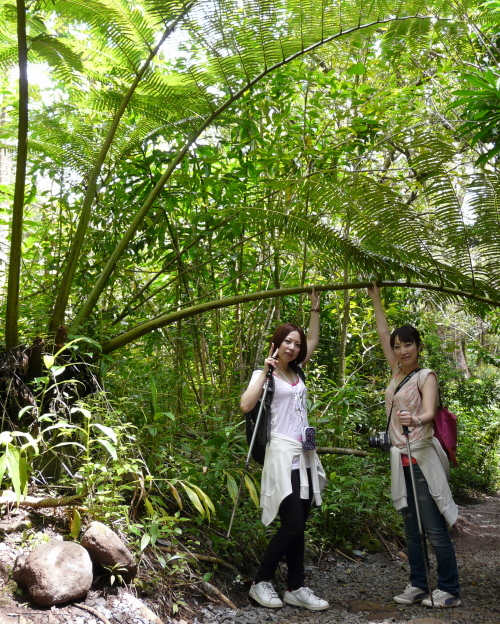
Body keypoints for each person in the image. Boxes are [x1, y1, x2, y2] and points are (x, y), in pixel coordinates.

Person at [367, 283, 461, 609]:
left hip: (422, 456)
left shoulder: (425, 376)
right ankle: (418, 585)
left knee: (433, 527)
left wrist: (415, 420)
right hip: (400, 459)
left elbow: (430, 413)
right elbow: (382, 330)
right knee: (411, 528)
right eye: (397, 346)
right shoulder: (395, 375)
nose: (402, 350)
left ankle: (449, 589)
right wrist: (375, 298)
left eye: (408, 344)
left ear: (418, 347)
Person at [240, 289, 328, 611]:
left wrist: (315, 310)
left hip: (304, 453)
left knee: (300, 522)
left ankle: (295, 586)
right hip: (281, 454)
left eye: (297, 343)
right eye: (287, 342)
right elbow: (245, 405)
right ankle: (259, 581)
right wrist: (265, 370)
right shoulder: (264, 374)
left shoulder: (297, 370)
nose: (293, 347)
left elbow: (314, 342)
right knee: (292, 524)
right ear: (276, 343)